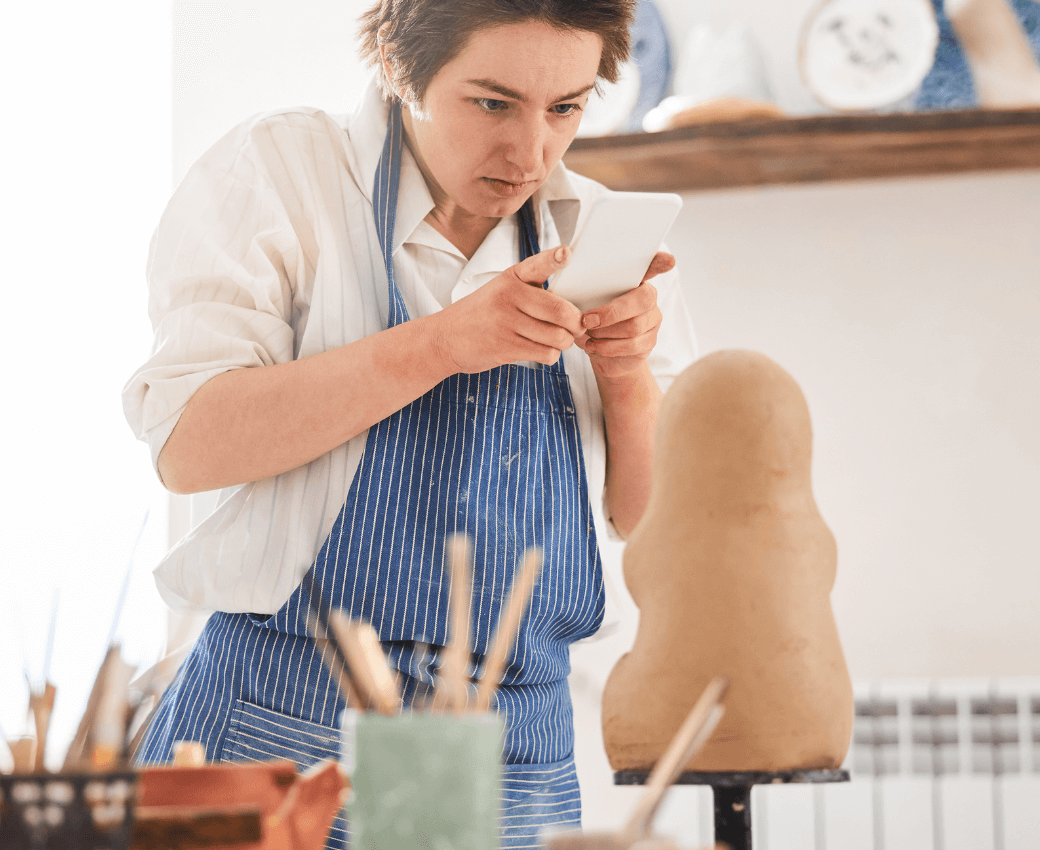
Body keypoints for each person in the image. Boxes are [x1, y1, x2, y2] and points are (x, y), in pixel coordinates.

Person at [122, 0, 697, 843]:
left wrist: (624, 375)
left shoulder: (603, 243)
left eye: (566, 108)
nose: (532, 152)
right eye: (493, 103)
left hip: (512, 754)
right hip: (281, 733)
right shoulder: (282, 172)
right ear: (400, 68)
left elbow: (651, 524)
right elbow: (189, 445)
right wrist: (437, 346)